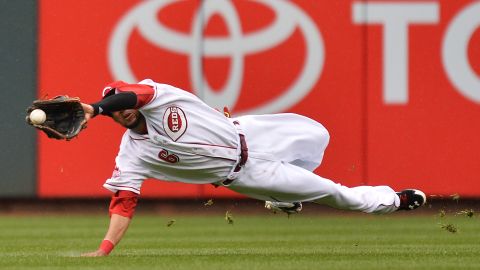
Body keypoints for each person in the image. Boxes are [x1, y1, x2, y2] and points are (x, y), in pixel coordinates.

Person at [80, 79, 426, 257]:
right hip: (246, 176)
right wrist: (105, 249)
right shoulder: (131, 155)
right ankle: (391, 201)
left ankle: (282, 199)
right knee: (336, 195)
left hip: (254, 132)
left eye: (118, 103)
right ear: (113, 118)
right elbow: (124, 202)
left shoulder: (157, 97)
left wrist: (95, 108)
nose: (121, 110)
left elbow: (132, 95)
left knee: (319, 134)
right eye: (114, 111)